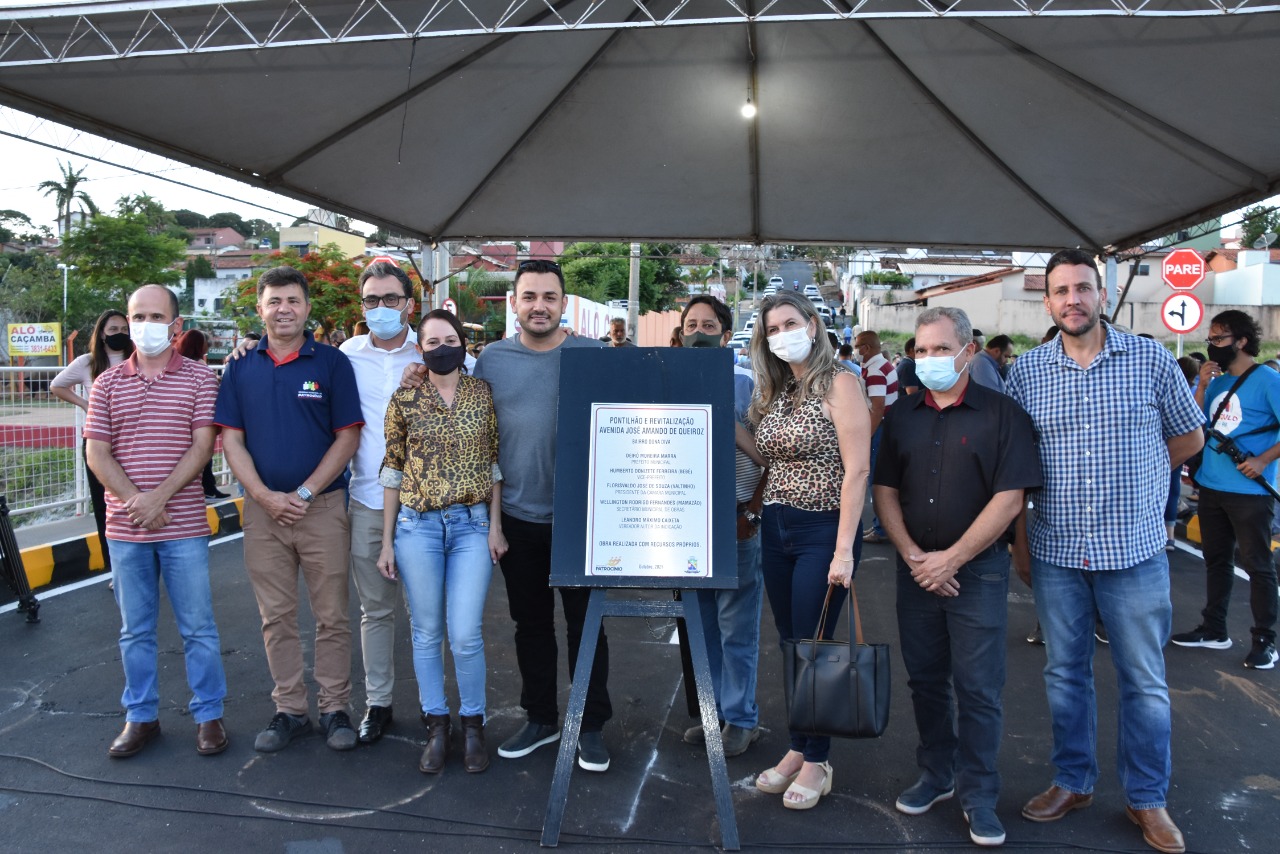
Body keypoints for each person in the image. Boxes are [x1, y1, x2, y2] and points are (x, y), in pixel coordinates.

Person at [1006, 249, 1203, 854]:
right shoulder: (1027, 373)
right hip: (1057, 550)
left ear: (1101, 295)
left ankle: (1148, 799)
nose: (1073, 299)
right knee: (1065, 675)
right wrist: (1019, 542)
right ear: (1048, 302)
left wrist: (1143, 485)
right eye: (1061, 290)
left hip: (1135, 550)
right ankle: (1074, 782)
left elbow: (1188, 435)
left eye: (1083, 288)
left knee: (1143, 681)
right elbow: (1015, 465)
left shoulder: (1148, 360)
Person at [406, 260, 614, 771]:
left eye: (549, 296)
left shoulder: (596, 355)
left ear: (564, 304)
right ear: (514, 304)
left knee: (587, 625)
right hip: (518, 515)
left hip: (583, 518)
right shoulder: (493, 360)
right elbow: (460, 405)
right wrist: (418, 371)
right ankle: (541, 717)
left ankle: (590, 724)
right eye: (529, 296)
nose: (539, 305)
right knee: (531, 625)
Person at [874, 307, 1041, 848]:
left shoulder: (1002, 414)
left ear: (968, 352)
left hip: (979, 574)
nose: (928, 361)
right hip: (916, 571)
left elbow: (1009, 497)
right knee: (925, 680)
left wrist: (952, 560)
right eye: (920, 351)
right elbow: (885, 492)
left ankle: (979, 793)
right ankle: (937, 773)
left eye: (939, 349)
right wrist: (916, 556)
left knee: (978, 689)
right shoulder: (902, 415)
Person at [215, 265, 364, 753]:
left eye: (293, 301)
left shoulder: (331, 363)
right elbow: (231, 440)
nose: (284, 309)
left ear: (307, 308)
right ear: (260, 308)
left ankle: (336, 708)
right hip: (262, 513)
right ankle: (290, 710)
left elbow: (348, 436)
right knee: (275, 616)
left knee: (332, 616)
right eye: (274, 301)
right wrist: (262, 496)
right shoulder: (240, 366)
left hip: (320, 508)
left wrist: (302, 494)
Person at [84, 285, 227, 758]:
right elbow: (97, 452)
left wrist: (160, 497)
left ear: (175, 325)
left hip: (182, 524)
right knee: (135, 630)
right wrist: (135, 501)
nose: (144, 326)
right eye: (137, 316)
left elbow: (202, 446)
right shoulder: (107, 383)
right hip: (127, 529)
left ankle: (209, 715)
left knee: (198, 628)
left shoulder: (200, 380)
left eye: (155, 316)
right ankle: (140, 716)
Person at [746, 290, 871, 810]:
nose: (781, 336)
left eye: (789, 324)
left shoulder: (839, 381)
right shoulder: (779, 391)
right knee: (790, 641)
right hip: (776, 528)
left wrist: (844, 550)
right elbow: (769, 455)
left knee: (813, 645)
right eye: (772, 330)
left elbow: (858, 468)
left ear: (815, 325)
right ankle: (799, 747)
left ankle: (817, 760)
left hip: (823, 530)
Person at [378, 309, 506, 773]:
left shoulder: (482, 394)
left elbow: (494, 462)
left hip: (473, 526)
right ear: (420, 349)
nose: (441, 348)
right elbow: (392, 469)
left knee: (466, 633)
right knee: (426, 632)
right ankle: (436, 723)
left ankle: (474, 725)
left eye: (449, 339)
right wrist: (388, 540)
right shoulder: (405, 399)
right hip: (417, 527)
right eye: (432, 343)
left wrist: (495, 526)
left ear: (464, 342)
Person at [677, 295, 767, 757]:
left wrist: (751, 513)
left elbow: (772, 458)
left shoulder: (750, 386)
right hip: (687, 523)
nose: (698, 333)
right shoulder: (671, 380)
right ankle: (715, 716)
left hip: (735, 524)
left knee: (737, 628)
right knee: (703, 625)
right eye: (690, 324)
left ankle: (742, 719)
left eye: (708, 324)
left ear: (727, 335)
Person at [338, 259, 424, 743]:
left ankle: (437, 707)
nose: (381, 308)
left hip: (428, 506)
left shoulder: (437, 352)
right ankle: (379, 703)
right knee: (376, 610)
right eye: (372, 300)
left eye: (391, 299)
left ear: (408, 305)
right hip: (368, 502)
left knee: (429, 616)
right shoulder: (345, 357)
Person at [1171, 310, 1280, 669]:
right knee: (1216, 560)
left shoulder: (1267, 380)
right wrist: (1201, 386)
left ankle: (1265, 639)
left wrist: (1263, 460)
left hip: (1250, 491)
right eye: (1211, 339)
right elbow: (1194, 425)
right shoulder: (1214, 383)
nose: (1212, 345)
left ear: (1242, 341)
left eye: (1219, 339)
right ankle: (1214, 628)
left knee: (1257, 565)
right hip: (1212, 487)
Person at [51, 309, 135, 577]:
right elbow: (57, 385)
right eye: (113, 330)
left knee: (136, 501)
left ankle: (143, 563)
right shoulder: (87, 362)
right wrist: (87, 405)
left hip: (134, 441)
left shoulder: (140, 358)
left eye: (124, 329)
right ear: (101, 334)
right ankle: (116, 569)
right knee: (104, 507)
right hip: (99, 443)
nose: (120, 335)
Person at [173, 329, 229, 502]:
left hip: (181, 419)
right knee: (205, 453)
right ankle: (208, 489)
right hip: (199, 418)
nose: (208, 346)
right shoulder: (198, 365)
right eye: (206, 342)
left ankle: (206, 489)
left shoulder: (176, 363)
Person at [855, 330, 897, 545]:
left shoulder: (875, 371)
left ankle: (881, 528)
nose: (855, 350)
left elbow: (877, 408)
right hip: (885, 427)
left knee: (875, 481)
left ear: (866, 348)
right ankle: (882, 525)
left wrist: (866, 437)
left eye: (857, 346)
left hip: (878, 428)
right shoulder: (885, 366)